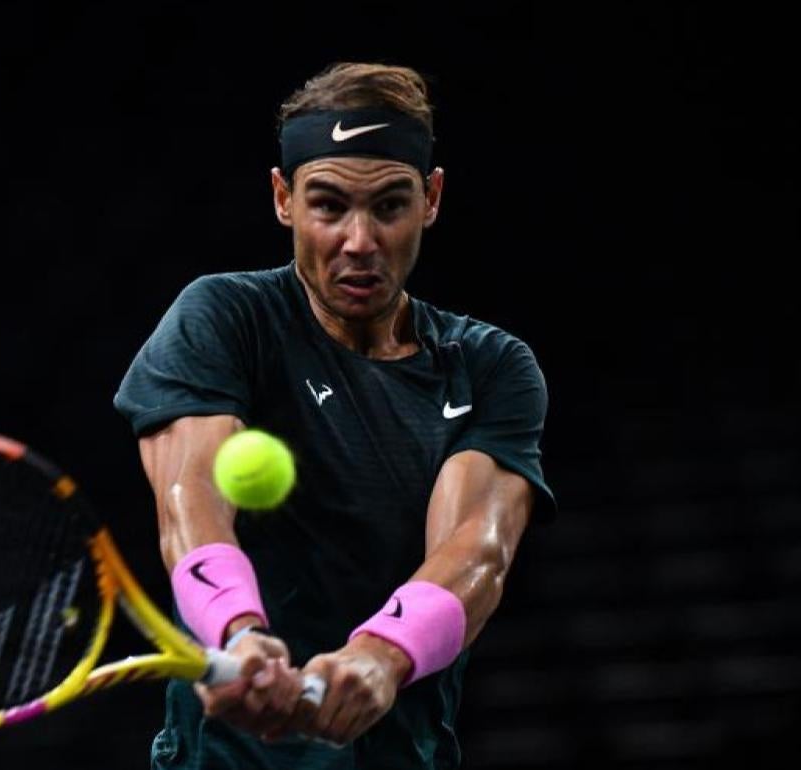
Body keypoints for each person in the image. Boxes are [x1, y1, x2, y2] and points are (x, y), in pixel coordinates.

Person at [114, 61, 555, 770]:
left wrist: (381, 655)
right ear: (283, 198)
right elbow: (188, 498)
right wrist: (237, 632)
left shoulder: (492, 367)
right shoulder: (225, 319)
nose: (359, 240)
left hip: (399, 752)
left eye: (389, 206)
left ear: (432, 199)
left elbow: (480, 548)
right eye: (328, 206)